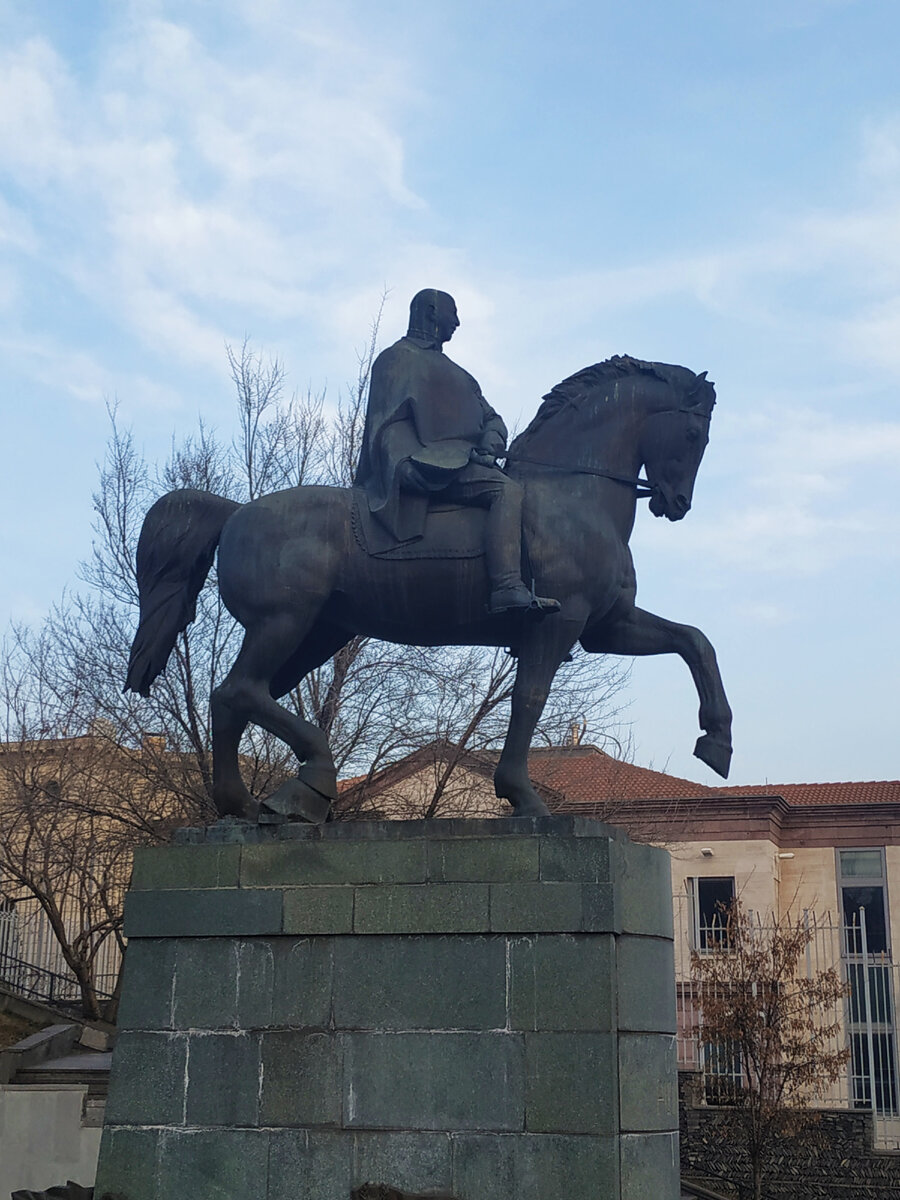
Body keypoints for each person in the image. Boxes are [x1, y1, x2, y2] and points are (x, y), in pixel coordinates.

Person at [355, 288, 559, 614]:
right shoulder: (396, 359)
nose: (458, 322)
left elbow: (491, 418)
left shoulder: (461, 375)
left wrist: (490, 444)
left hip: (468, 461)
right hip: (425, 462)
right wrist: (403, 464)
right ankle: (506, 586)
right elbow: (387, 422)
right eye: (454, 313)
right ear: (433, 312)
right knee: (506, 492)